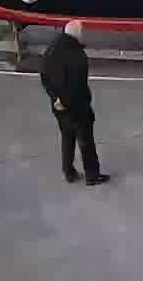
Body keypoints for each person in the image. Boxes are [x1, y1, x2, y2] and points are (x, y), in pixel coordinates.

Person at [40, 21, 107, 185]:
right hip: (77, 107)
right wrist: (65, 101)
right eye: (83, 32)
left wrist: (55, 98)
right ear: (77, 34)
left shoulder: (51, 49)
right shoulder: (78, 56)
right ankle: (92, 175)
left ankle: (68, 171)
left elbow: (44, 75)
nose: (85, 35)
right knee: (85, 141)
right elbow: (77, 86)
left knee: (67, 136)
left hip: (57, 106)